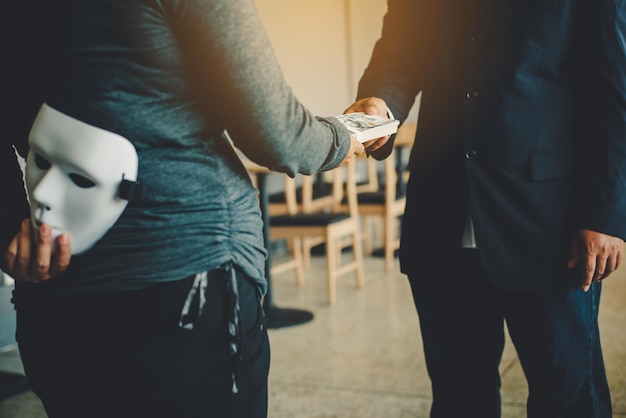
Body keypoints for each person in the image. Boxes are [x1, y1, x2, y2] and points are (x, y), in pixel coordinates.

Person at [0, 1, 366, 417]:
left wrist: (10, 228)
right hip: (187, 282)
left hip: (55, 301)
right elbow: (279, 137)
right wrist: (343, 136)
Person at [345, 1, 626, 417]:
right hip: (441, 213)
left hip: (551, 222)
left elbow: (614, 86)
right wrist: (380, 105)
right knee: (459, 397)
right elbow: (400, 52)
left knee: (568, 398)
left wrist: (604, 214)